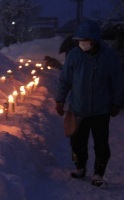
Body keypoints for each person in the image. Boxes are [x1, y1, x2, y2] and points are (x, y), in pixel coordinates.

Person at [55, 19, 124, 187]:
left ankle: (98, 173)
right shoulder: (74, 55)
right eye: (80, 41)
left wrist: (117, 103)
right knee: (77, 141)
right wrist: (60, 99)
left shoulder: (109, 56)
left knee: (101, 143)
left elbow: (118, 81)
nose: (83, 44)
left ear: (95, 40)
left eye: (86, 40)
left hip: (101, 110)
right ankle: (80, 167)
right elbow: (65, 80)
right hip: (78, 108)